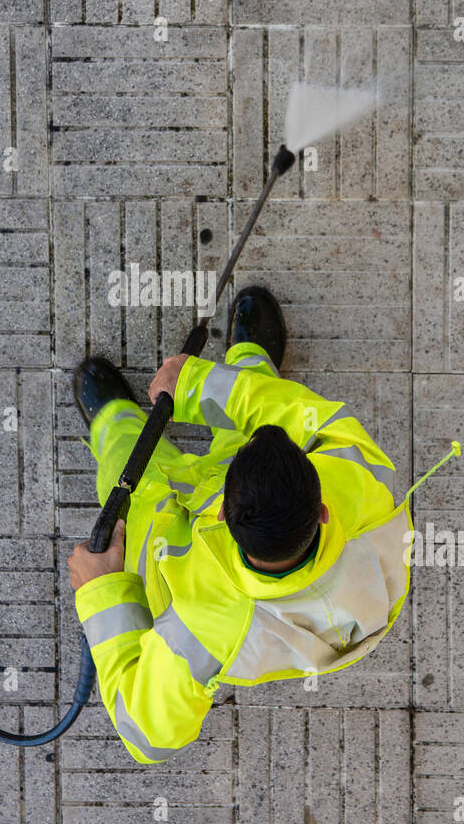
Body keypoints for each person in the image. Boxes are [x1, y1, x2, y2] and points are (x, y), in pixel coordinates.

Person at [67, 286, 412, 765]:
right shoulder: (357, 484)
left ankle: (116, 420)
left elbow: (144, 731)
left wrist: (103, 592)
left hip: (173, 544)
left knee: (131, 473)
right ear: (323, 509)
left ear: (222, 514)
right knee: (257, 400)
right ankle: (250, 358)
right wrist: (194, 386)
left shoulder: (206, 627)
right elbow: (291, 411)